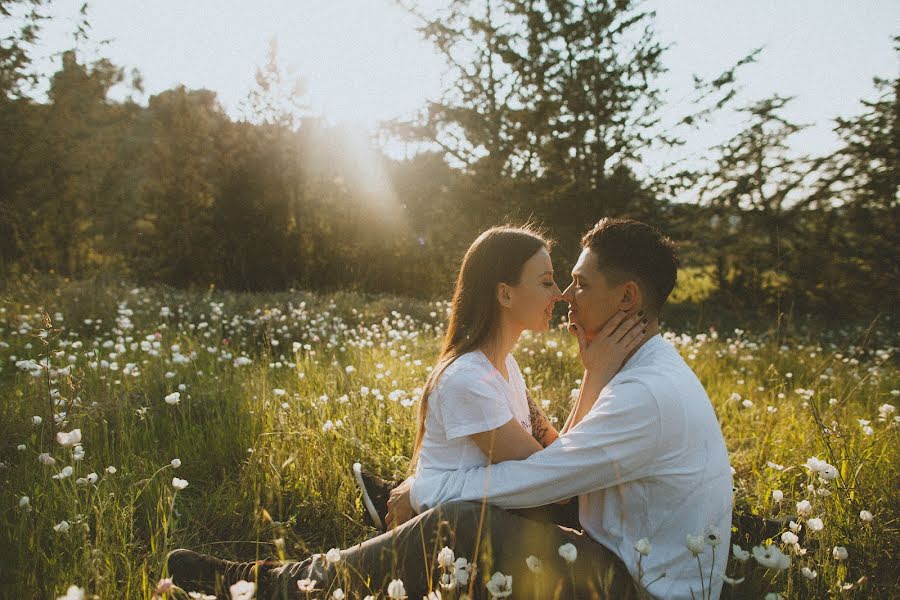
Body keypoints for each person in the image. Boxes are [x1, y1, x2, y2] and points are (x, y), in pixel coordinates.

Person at [167, 224, 645, 598]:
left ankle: (376, 517)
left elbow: (561, 456)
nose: (559, 294)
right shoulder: (467, 378)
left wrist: (593, 371)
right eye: (545, 282)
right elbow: (554, 471)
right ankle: (271, 583)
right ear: (504, 293)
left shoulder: (506, 368)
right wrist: (596, 374)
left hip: (471, 518)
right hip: (451, 526)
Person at [387, 218, 734, 600]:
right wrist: (595, 375)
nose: (566, 295)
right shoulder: (649, 370)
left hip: (639, 587)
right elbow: (558, 464)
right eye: (554, 281)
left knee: (462, 522)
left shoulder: (645, 394)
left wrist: (423, 491)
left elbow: (541, 477)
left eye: (580, 283)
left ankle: (319, 574)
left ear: (626, 299)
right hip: (630, 559)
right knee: (472, 518)